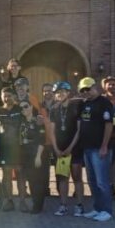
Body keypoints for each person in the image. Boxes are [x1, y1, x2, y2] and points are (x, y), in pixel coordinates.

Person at [77, 77, 114, 222]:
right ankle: (98, 208)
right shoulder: (85, 103)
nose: (86, 92)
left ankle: (107, 210)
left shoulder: (104, 103)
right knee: (92, 181)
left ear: (95, 87)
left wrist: (104, 146)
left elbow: (109, 125)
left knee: (102, 181)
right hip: (87, 148)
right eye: (83, 90)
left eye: (88, 89)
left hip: (100, 149)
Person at [49, 82, 84, 217]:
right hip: (60, 148)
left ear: (68, 92)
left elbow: (79, 130)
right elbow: (51, 131)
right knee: (62, 177)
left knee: (77, 177)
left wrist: (70, 147)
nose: (60, 94)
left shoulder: (75, 107)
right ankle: (63, 205)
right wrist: (56, 148)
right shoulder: (54, 109)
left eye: (63, 91)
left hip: (74, 148)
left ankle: (79, 205)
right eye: (57, 92)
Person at [0, 87, 26, 212]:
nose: (7, 98)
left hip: (19, 148)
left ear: (14, 96)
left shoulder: (20, 109)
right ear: (1, 97)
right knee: (6, 175)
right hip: (4, 148)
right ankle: (8, 201)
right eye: (4, 96)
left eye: (9, 95)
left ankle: (23, 201)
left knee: (20, 175)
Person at [18, 99, 47, 214]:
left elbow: (42, 140)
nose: (23, 109)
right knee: (30, 180)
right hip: (25, 154)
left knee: (37, 181)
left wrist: (38, 156)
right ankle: (35, 203)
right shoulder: (22, 121)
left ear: (31, 107)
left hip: (36, 154)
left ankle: (38, 206)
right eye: (21, 108)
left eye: (25, 106)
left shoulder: (37, 121)